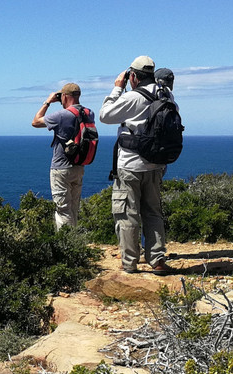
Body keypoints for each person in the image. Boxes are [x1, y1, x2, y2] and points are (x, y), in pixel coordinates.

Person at [98, 56, 174, 275]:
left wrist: (116, 89)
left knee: (127, 214)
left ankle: (130, 262)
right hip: (156, 165)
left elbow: (105, 115)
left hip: (130, 165)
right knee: (153, 213)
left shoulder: (133, 97)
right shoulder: (167, 95)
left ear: (133, 76)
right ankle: (157, 260)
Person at [31, 81, 94, 229]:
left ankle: (67, 246)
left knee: (62, 210)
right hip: (79, 166)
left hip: (61, 167)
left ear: (64, 96)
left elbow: (35, 122)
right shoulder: (89, 113)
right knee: (73, 208)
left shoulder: (61, 115)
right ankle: (75, 243)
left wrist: (48, 102)